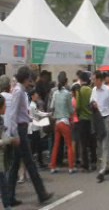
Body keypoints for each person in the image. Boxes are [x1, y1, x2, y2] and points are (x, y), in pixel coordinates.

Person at [8, 66, 53, 206]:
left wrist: (29, 118)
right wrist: (15, 134)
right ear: (25, 79)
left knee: (15, 165)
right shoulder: (18, 91)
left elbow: (19, 113)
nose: (31, 83)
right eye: (29, 80)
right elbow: (12, 115)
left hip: (21, 128)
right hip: (20, 130)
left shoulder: (20, 91)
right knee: (30, 164)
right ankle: (41, 193)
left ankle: (9, 197)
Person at [90, 71, 109, 183]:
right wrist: (93, 104)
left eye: (94, 79)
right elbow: (91, 101)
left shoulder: (107, 90)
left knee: (105, 145)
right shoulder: (93, 90)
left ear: (100, 80)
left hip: (106, 118)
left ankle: (101, 171)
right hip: (97, 120)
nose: (93, 81)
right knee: (99, 145)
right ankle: (106, 166)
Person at [49, 72, 75, 174]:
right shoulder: (67, 94)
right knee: (69, 145)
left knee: (56, 145)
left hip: (57, 122)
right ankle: (71, 167)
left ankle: (53, 166)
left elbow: (52, 106)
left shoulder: (55, 93)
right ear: (66, 81)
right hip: (65, 121)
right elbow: (71, 110)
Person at [0, 94, 20, 210]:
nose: (5, 109)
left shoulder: (1, 120)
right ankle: (7, 205)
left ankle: (7, 204)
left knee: (3, 180)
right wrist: (10, 140)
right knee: (3, 181)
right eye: (4, 106)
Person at [77, 72, 96, 172]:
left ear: (81, 80)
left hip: (83, 119)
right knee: (92, 142)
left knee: (83, 143)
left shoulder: (80, 90)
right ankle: (94, 161)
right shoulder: (90, 90)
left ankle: (85, 164)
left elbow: (78, 106)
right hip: (91, 118)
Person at [28, 89, 50, 169]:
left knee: (35, 146)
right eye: (35, 94)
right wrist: (48, 114)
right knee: (37, 146)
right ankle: (39, 162)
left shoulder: (32, 104)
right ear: (32, 96)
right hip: (34, 128)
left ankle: (38, 162)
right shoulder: (32, 105)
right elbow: (39, 113)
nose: (37, 95)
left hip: (34, 127)